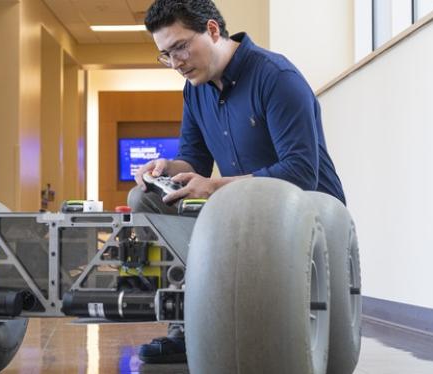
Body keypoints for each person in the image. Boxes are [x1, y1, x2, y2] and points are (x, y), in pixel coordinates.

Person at [129, 0, 346, 364]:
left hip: (304, 212)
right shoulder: (195, 90)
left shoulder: (276, 77)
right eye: (166, 55)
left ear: (213, 30)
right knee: (144, 198)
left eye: (181, 47)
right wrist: (166, 169)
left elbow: (300, 172)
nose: (176, 63)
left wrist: (213, 187)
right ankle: (186, 323)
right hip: (241, 210)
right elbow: (194, 161)